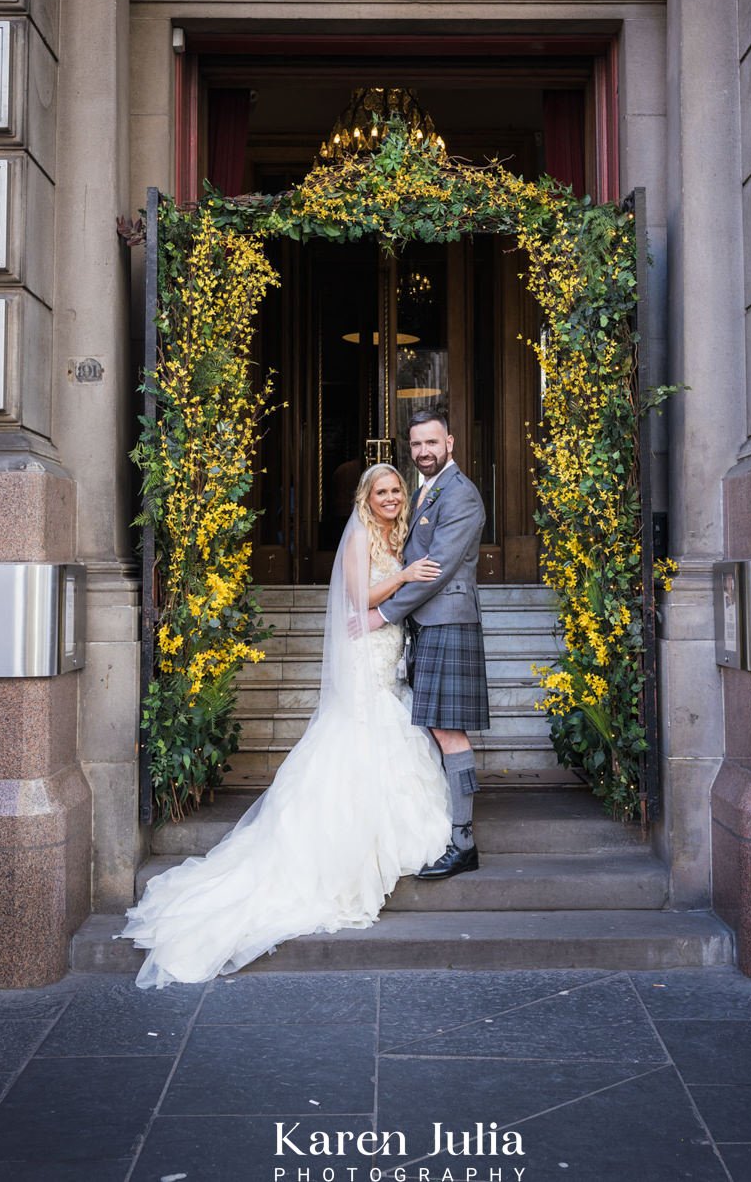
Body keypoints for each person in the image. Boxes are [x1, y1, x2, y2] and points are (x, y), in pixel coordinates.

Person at [118, 464, 450, 987]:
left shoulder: (397, 531)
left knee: (388, 725)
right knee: (359, 735)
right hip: (366, 652)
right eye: (381, 491)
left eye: (396, 490)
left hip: (387, 651)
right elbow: (358, 599)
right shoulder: (361, 534)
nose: (390, 498)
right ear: (365, 497)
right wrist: (406, 576)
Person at [367, 409, 489, 881]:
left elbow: (434, 570)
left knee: (448, 730)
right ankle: (449, 830)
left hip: (448, 623)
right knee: (437, 728)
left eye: (431, 443)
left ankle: (463, 841)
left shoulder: (460, 495)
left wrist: (383, 612)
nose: (423, 451)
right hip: (429, 624)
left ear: (450, 443)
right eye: (416, 444)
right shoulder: (424, 490)